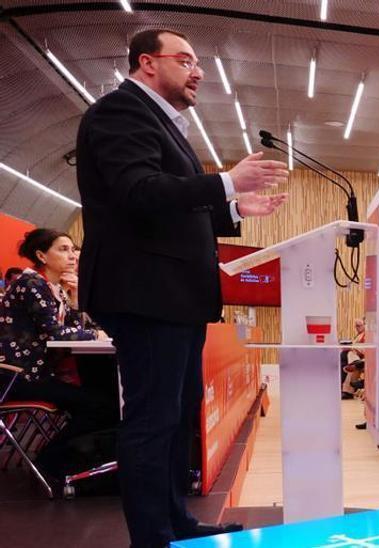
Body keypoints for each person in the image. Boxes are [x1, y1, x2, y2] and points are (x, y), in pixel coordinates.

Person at [76, 28, 288, 546]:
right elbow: (140, 192)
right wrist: (225, 183)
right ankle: (152, 536)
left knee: (174, 417)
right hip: (146, 294)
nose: (198, 72)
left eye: (199, 63)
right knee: (152, 421)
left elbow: (174, 206)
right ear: (147, 62)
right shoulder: (120, 113)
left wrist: (233, 207)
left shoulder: (160, 122)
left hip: (173, 297)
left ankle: (175, 523)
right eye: (186, 60)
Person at [0, 230, 112, 479]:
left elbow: (77, 329)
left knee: (102, 398)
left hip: (41, 374)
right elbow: (56, 333)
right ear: (41, 255)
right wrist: (95, 336)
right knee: (99, 404)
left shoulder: (55, 289)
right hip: (20, 377)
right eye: (63, 249)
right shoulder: (31, 284)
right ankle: (50, 464)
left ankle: (66, 460)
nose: (72, 256)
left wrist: (74, 302)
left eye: (72, 250)